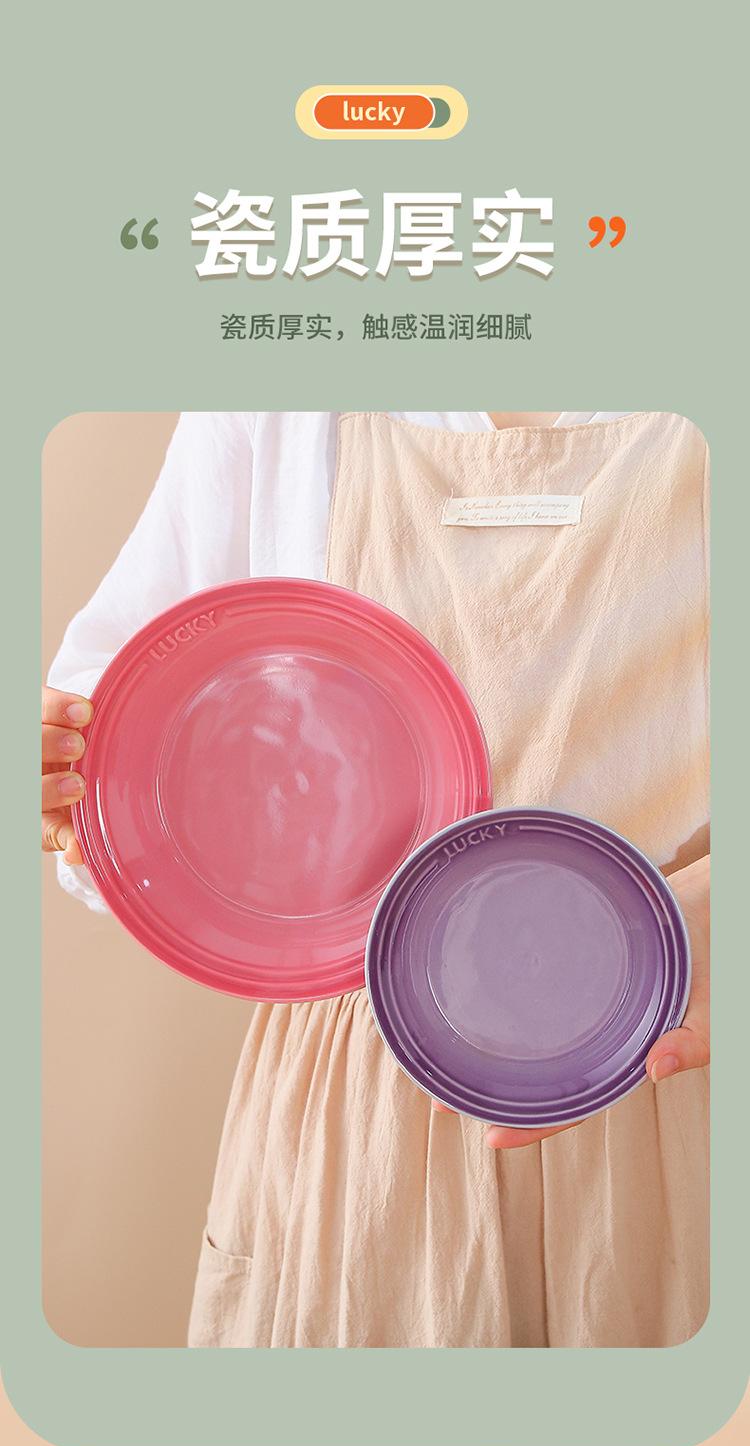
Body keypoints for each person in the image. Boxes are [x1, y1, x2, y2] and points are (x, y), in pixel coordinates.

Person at [42, 410, 710, 1348]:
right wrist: (72, 784)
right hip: (359, 1131)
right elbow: (114, 732)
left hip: (682, 1060)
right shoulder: (269, 408)